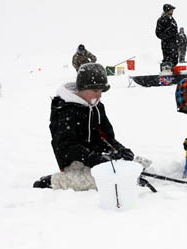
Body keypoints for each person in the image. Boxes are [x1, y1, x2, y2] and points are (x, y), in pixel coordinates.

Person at [33, 63, 134, 191]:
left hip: (97, 157)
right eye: (95, 91)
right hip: (74, 161)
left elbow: (106, 137)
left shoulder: (97, 107)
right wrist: (91, 158)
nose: (100, 95)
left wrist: (119, 150)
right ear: (82, 88)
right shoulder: (65, 109)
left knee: (127, 169)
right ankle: (54, 181)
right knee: (104, 181)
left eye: (101, 91)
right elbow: (65, 145)